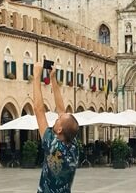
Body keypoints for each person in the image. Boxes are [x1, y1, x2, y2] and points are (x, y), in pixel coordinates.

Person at [32, 59, 79, 193]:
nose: (57, 118)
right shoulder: (73, 147)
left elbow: (38, 110)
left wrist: (36, 76)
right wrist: (53, 79)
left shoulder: (52, 145)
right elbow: (61, 110)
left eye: (58, 120)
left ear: (59, 130)